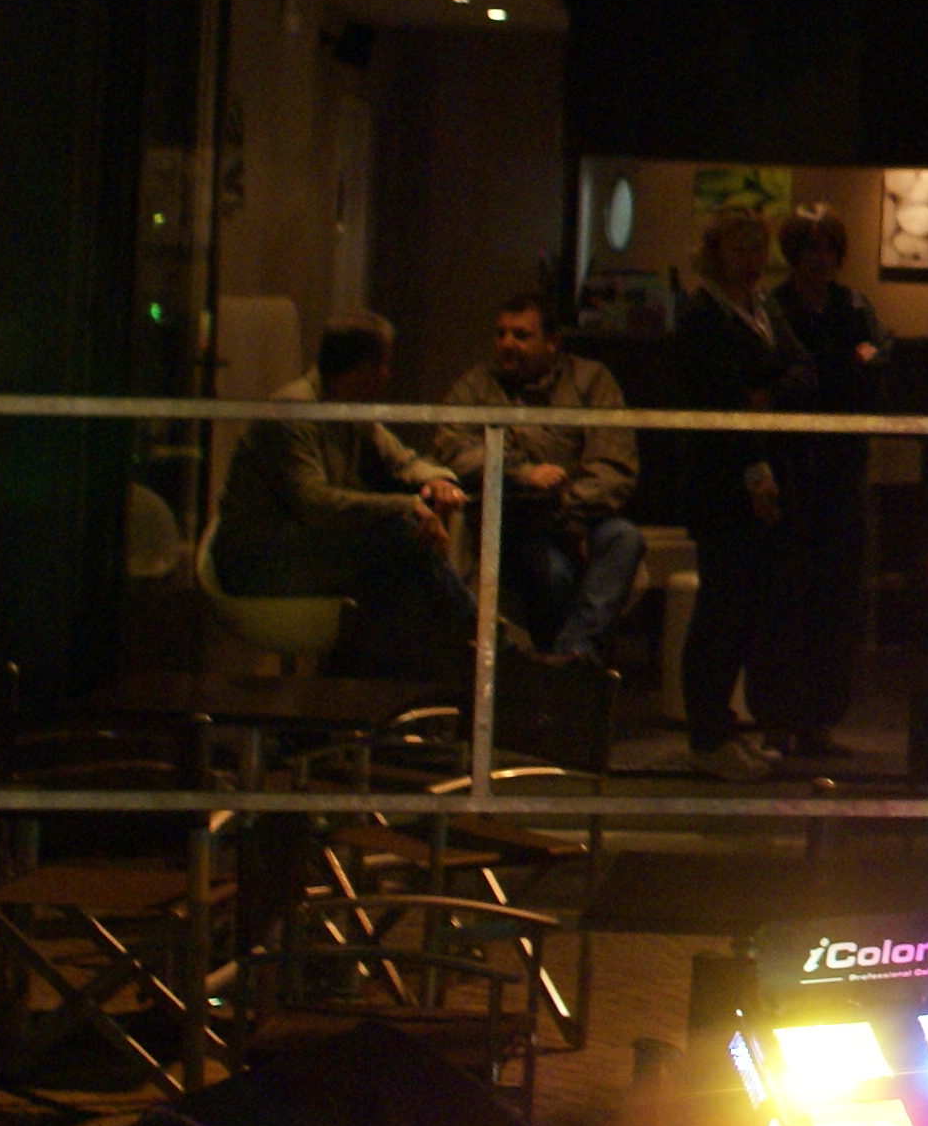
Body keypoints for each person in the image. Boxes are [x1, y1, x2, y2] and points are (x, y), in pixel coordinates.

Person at [218, 313, 481, 682]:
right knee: (400, 540)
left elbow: (403, 461)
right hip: (260, 558)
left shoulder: (346, 407)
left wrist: (437, 481)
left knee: (400, 579)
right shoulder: (294, 411)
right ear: (362, 370)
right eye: (384, 365)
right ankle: (478, 639)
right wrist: (408, 506)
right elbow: (314, 503)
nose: (387, 375)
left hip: (305, 548)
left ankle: (390, 683)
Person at [672, 207, 816, 782]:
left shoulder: (764, 308)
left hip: (772, 469)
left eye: (759, 247)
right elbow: (720, 399)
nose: (752, 259)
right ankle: (707, 736)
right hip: (723, 479)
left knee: (749, 608)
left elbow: (804, 371)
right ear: (715, 253)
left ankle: (726, 728)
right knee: (721, 610)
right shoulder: (702, 315)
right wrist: (754, 470)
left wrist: (769, 392)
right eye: (740, 248)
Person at [431, 294, 644, 666]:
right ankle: (553, 661)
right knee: (551, 570)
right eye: (501, 333)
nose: (506, 344)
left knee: (625, 539)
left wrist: (567, 506)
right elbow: (453, 447)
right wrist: (522, 473)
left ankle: (574, 653)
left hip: (581, 516)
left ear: (552, 341)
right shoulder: (478, 386)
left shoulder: (591, 381)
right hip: (517, 522)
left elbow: (615, 466)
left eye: (521, 335)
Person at [763, 203, 893, 760]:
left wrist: (866, 362)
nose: (819, 258)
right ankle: (778, 721)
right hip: (792, 466)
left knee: (836, 599)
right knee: (785, 596)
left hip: (841, 466)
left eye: (827, 247)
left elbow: (878, 363)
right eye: (809, 247)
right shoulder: (774, 307)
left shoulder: (853, 306)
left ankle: (819, 721)